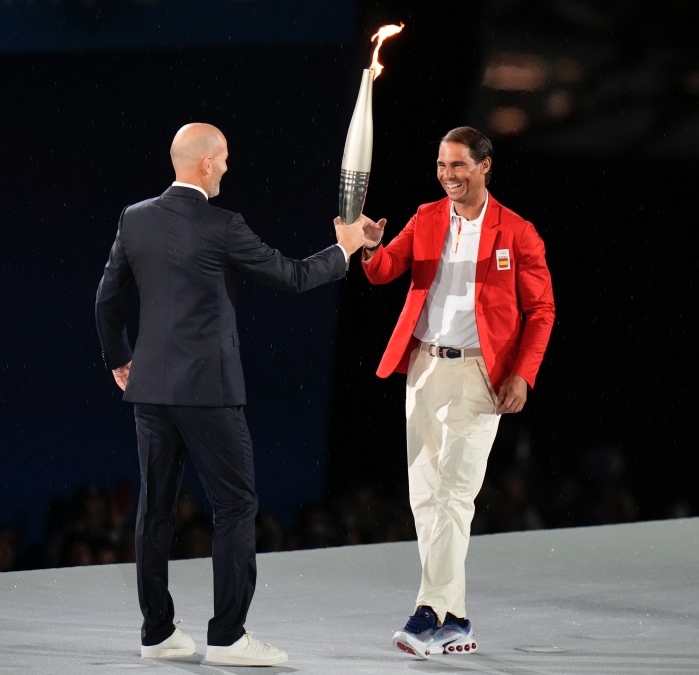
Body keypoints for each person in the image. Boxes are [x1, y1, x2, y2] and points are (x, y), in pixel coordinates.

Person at [94, 122, 367, 667]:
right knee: (236, 506)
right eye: (222, 160)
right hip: (209, 392)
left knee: (155, 510)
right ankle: (229, 637)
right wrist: (344, 249)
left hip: (150, 390)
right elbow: (291, 276)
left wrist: (120, 359)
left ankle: (156, 633)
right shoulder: (223, 226)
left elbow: (107, 301)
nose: (225, 168)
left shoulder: (135, 218)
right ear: (204, 164)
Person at [360, 126, 555, 658]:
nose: (448, 175)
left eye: (459, 166)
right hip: (423, 367)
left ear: (485, 166)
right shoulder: (426, 218)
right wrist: (371, 247)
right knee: (424, 497)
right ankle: (458, 620)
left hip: (480, 377)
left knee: (455, 495)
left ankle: (429, 612)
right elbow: (383, 272)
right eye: (442, 166)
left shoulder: (517, 232)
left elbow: (541, 311)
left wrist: (523, 374)